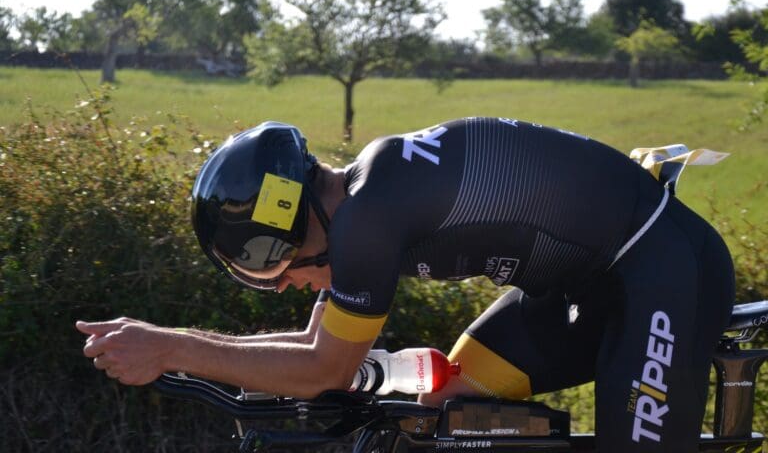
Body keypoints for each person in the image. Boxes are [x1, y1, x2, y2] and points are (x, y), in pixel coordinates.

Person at [77, 118, 735, 452]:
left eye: (283, 273)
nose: (290, 289)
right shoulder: (359, 198)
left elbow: (322, 370)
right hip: (586, 287)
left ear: (287, 231)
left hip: (664, 269)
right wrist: (179, 349)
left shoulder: (367, 222)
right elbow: (319, 356)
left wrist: (171, 347)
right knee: (446, 411)